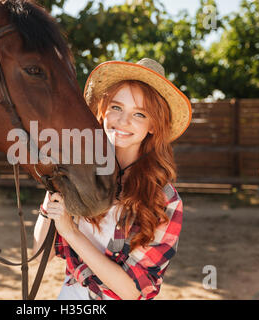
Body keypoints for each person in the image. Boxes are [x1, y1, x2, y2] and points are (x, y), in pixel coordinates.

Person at [32, 58, 192, 300]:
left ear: (153, 125)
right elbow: (38, 253)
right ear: (103, 111)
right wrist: (54, 188)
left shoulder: (164, 199)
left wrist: (71, 232)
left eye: (139, 114)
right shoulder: (81, 172)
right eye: (116, 108)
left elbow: (131, 291)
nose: (123, 121)